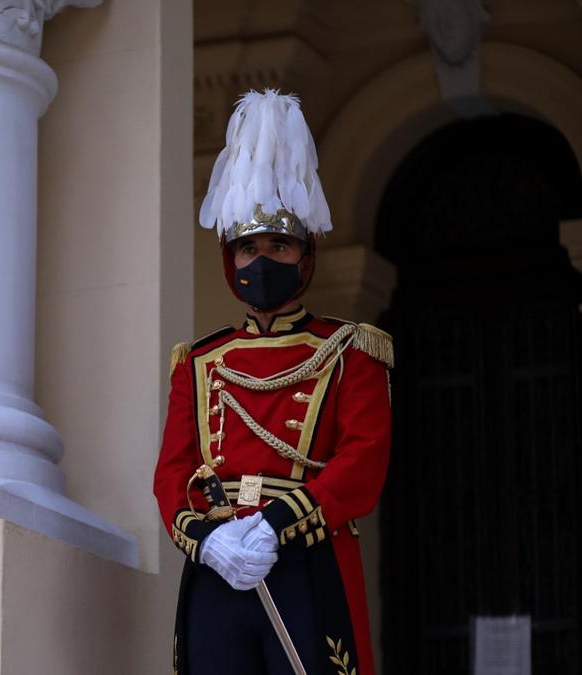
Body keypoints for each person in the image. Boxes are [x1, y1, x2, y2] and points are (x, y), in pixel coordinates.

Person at [154, 90, 392, 675]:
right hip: (219, 563)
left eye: (279, 245)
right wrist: (206, 540)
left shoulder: (348, 349)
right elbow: (172, 471)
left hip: (306, 559)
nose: (261, 261)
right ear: (230, 261)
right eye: (248, 248)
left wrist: (277, 526)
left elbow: (363, 462)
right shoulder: (200, 360)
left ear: (305, 256)